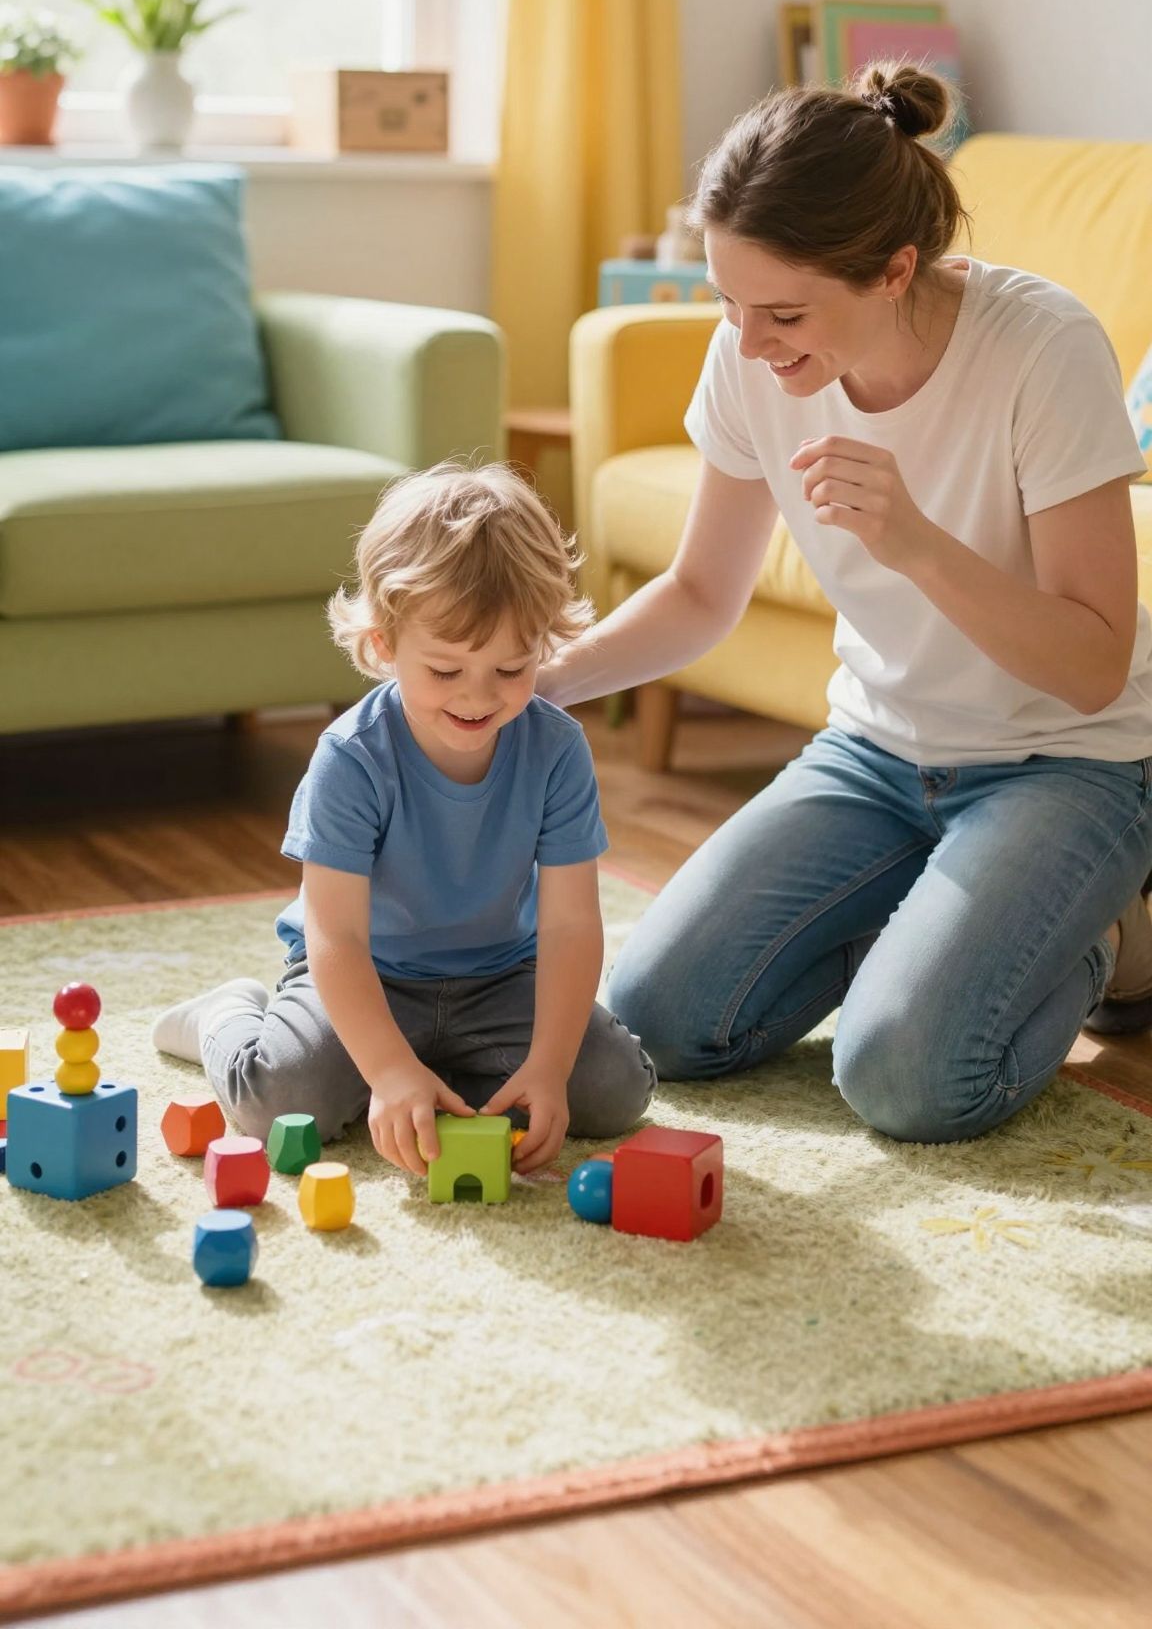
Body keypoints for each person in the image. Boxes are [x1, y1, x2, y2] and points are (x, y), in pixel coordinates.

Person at [537, 62, 1152, 1146]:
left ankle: (1104, 929)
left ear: (894, 269)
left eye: (782, 312)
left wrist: (916, 543)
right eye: (729, 303)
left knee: (909, 1076)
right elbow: (698, 593)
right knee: (654, 1023)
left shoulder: (1041, 349)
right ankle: (943, 915)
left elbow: (1097, 662)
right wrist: (534, 683)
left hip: (1066, 761)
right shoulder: (749, 357)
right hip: (873, 754)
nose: (752, 342)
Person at [153, 464, 655, 1176]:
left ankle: (449, 1070)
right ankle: (226, 1016)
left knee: (615, 1089)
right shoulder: (352, 759)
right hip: (367, 975)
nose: (479, 698)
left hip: (503, 977)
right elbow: (337, 936)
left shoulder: (556, 749)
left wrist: (546, 1067)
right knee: (278, 1100)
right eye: (446, 672)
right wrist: (387, 1068)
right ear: (384, 643)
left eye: (511, 670)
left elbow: (572, 924)